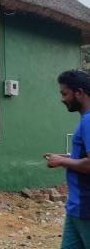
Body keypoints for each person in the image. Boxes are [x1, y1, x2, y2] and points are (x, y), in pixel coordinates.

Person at [45, 70, 90, 248]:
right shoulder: (85, 120)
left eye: (65, 93)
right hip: (76, 209)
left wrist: (62, 161)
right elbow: (83, 157)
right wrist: (64, 157)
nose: (62, 99)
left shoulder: (89, 121)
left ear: (79, 93)